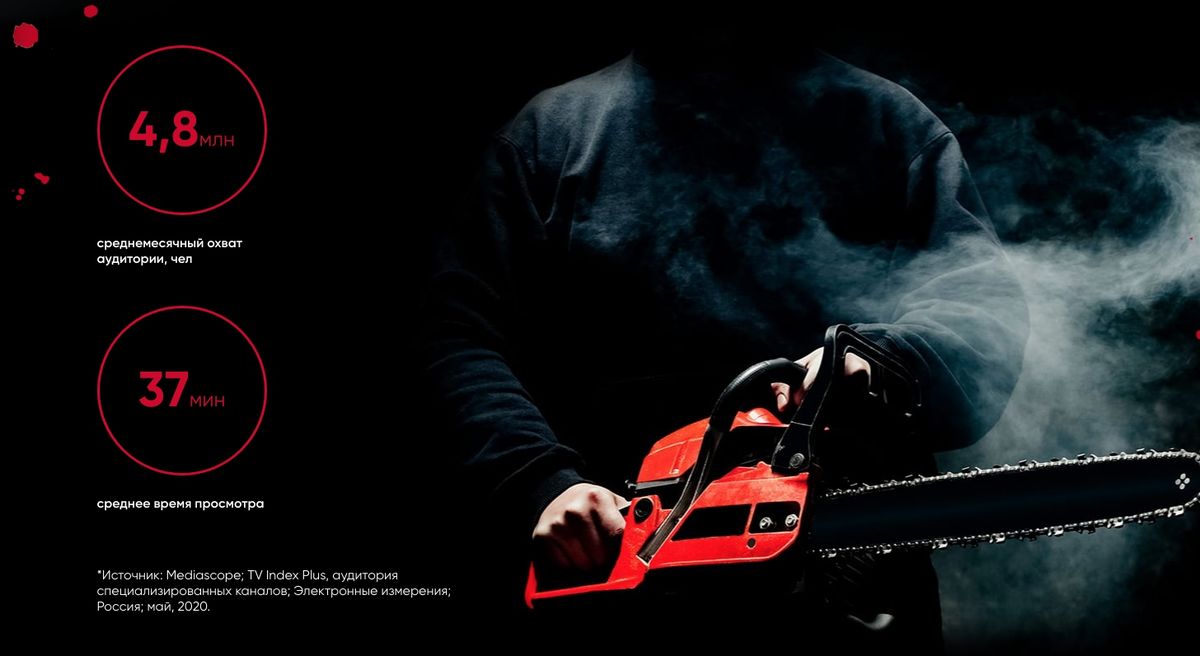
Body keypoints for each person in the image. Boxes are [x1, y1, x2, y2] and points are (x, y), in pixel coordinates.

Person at [423, 33, 1028, 646]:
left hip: (847, 593)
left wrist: (881, 359)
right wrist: (540, 483)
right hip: (613, 586)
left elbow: (981, 315)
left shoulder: (889, 125)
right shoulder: (548, 137)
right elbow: (457, 336)